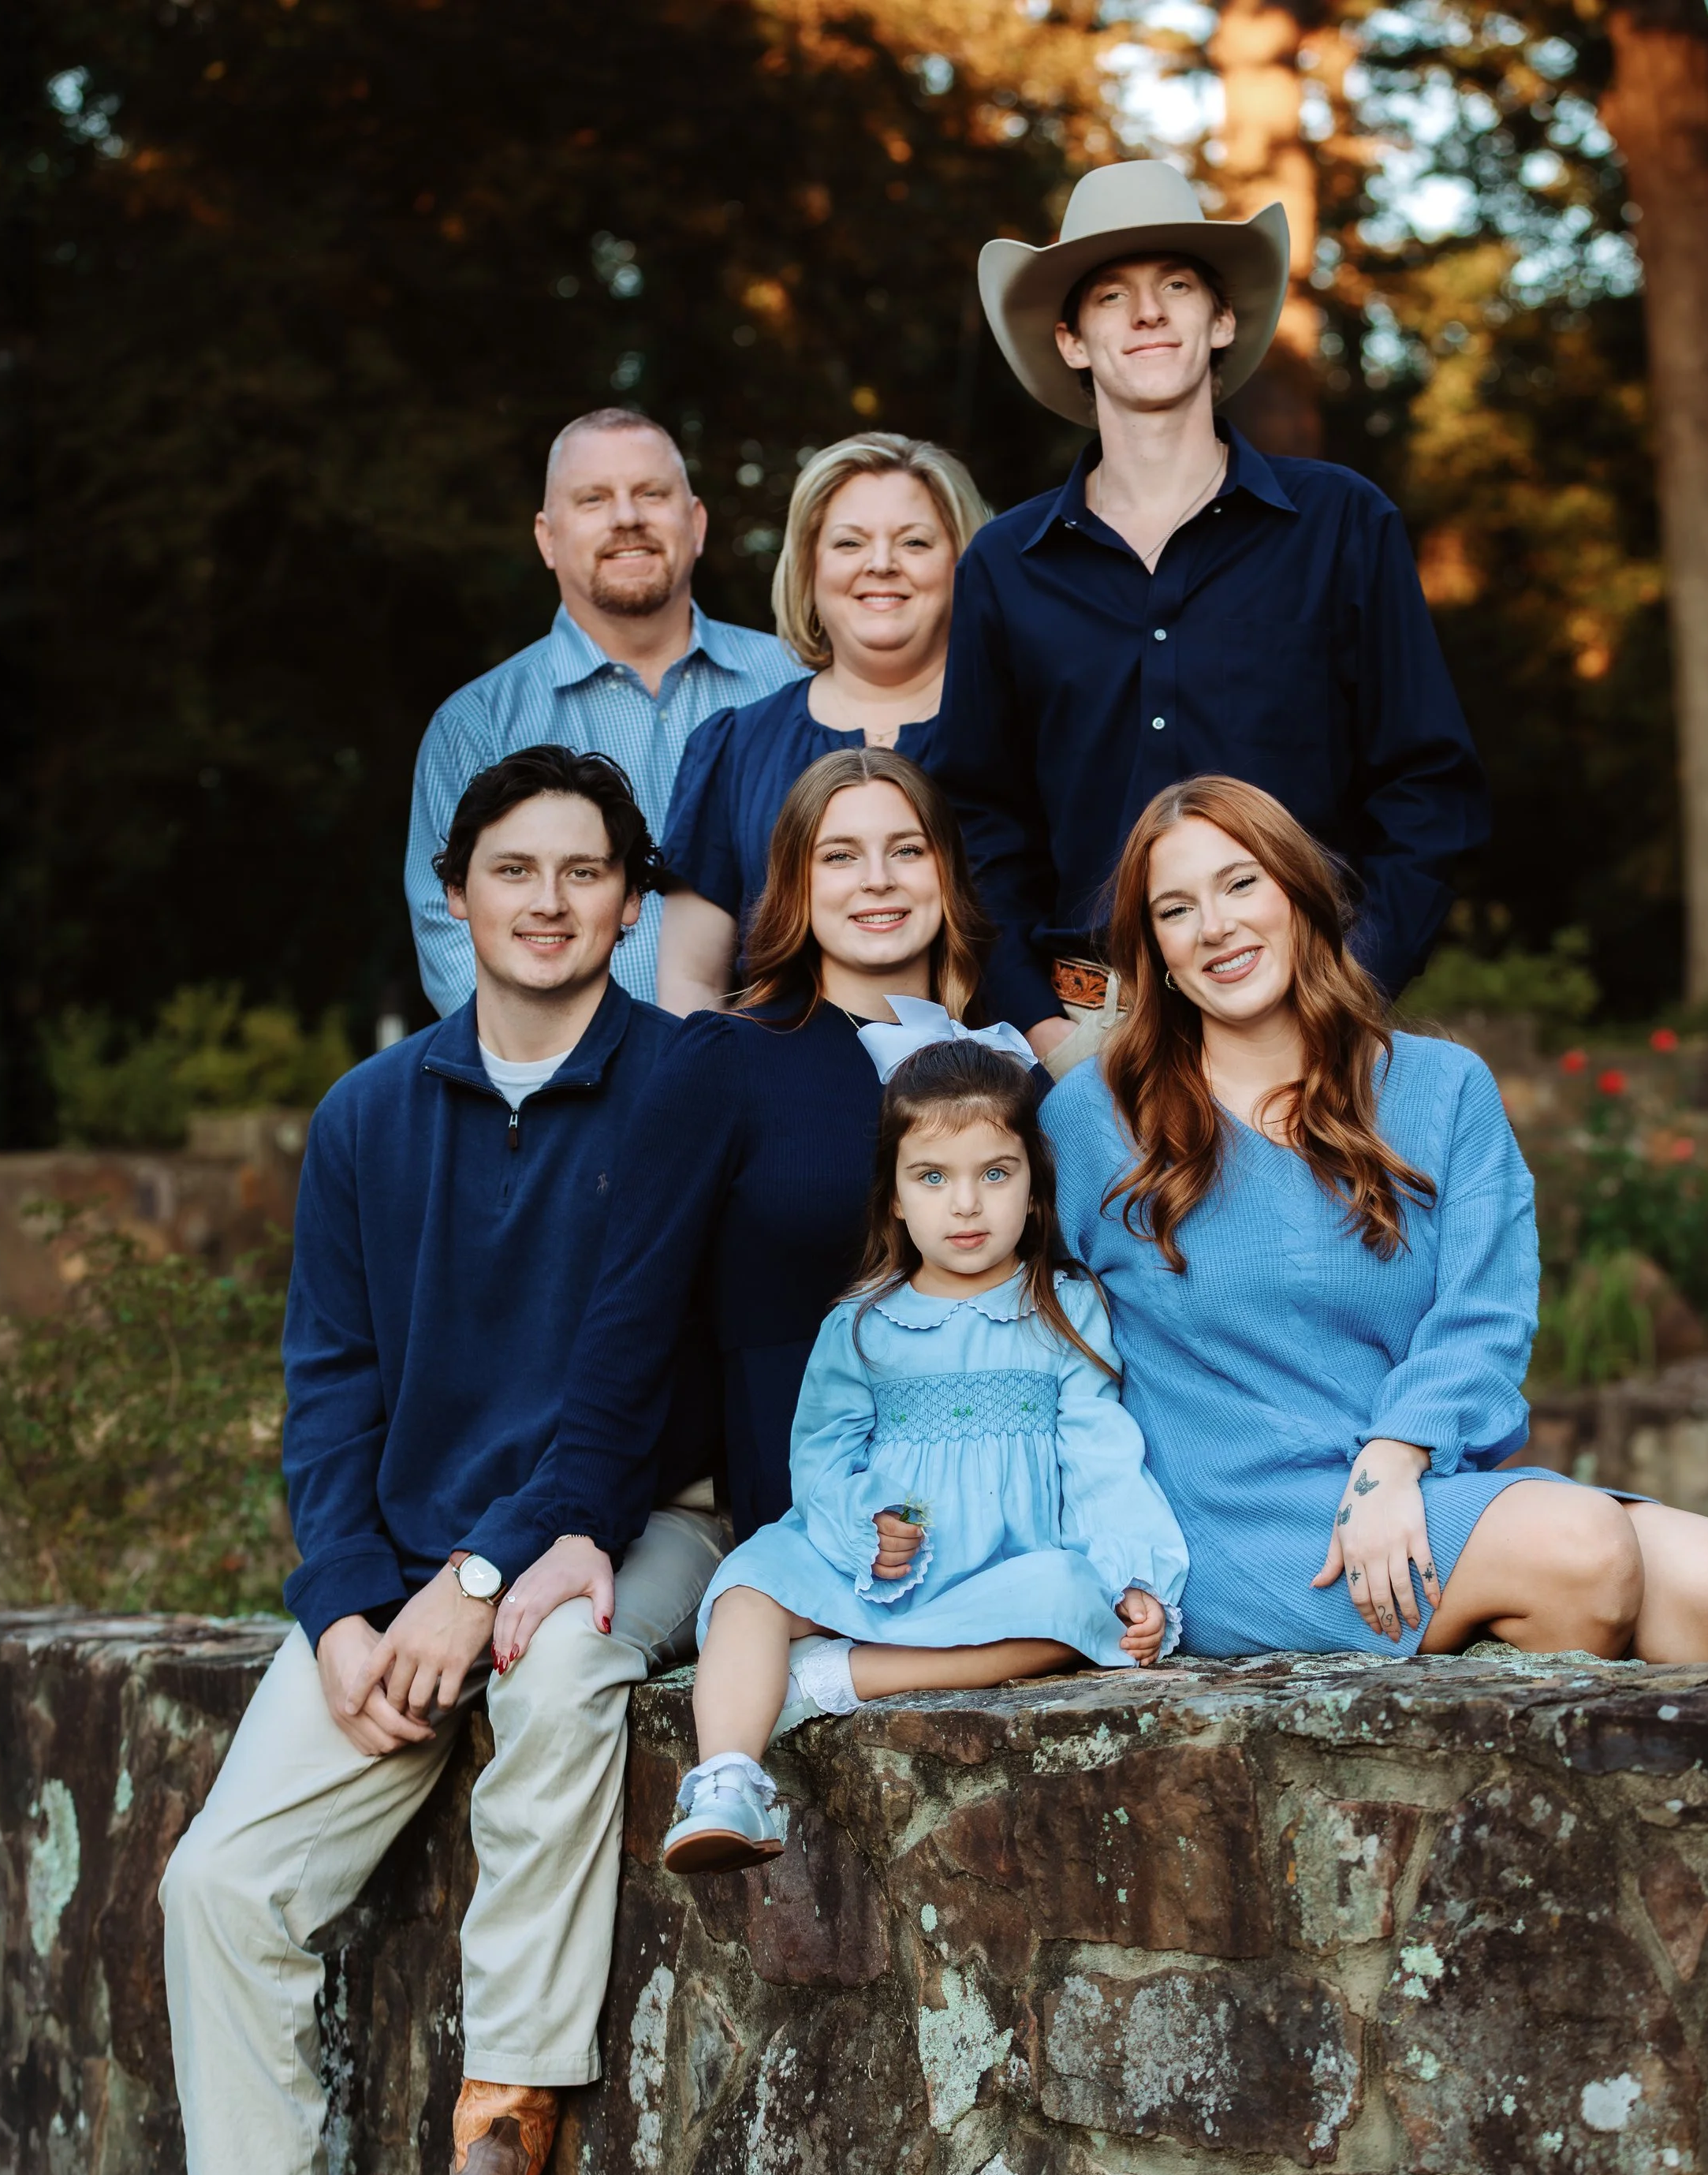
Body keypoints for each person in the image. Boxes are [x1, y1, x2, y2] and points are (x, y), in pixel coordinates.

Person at [160, 748, 724, 2175]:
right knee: (218, 1880)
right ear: (453, 893)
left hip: (629, 1520)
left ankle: (506, 2122)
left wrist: (484, 1574)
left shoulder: (681, 1087)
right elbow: (327, 1387)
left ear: (628, 904)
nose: (547, 899)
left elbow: (640, 1388)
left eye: (582, 871)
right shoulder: (369, 1114)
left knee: (559, 1680)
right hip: (400, 1571)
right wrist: (344, 1609)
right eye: (512, 868)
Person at [1044, 773, 1708, 1665]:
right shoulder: (1091, 1117)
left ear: (1298, 892)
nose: (1216, 927)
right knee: (1580, 1552)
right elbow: (1021, 1322)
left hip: (1408, 1477)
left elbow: (1486, 1312)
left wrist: (1395, 1455)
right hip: (1236, 1516)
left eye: (1241, 883)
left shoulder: (1442, 1086)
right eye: (1176, 909)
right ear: (1152, 947)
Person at [937, 158, 1489, 1068]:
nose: (1147, 312)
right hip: (1093, 1028)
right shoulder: (1005, 565)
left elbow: (1427, 785)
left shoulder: (1342, 524)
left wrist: (1352, 985)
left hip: (1309, 1015)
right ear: (1072, 340)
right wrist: (1041, 1024)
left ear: (1221, 320)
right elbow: (975, 820)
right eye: (1111, 296)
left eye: (1177, 285)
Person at [489, 746, 994, 1666]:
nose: (875, 880)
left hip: (1000, 1496)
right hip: (802, 1515)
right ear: (793, 887)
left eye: (906, 851)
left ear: (948, 874)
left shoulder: (1006, 1074)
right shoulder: (726, 1061)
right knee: (563, 1663)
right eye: (838, 856)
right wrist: (578, 1521)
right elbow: (630, 1312)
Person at [659, 1027, 1188, 1871]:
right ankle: (727, 1776)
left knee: (1076, 1605)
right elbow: (821, 1460)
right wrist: (863, 1524)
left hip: (1004, 1568)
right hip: (885, 1561)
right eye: (933, 1177)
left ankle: (845, 1676)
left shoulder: (1065, 1309)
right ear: (896, 1197)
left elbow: (1101, 1456)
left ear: (1034, 1188)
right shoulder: (863, 1324)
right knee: (750, 1586)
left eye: (995, 1173)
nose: (966, 1205)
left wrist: (1133, 1574)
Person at [405, 408, 799, 1013]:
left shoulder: (796, 683)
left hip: (784, 1075)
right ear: (547, 538)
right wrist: (572, 1086)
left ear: (695, 524)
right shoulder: (477, 726)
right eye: (593, 499)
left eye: (651, 493)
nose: (627, 517)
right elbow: (456, 946)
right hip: (575, 1096)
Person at [656, 431, 990, 1016]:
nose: (881, 564)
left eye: (914, 541)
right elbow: (693, 982)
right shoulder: (735, 748)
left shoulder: (1025, 736)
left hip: (995, 1096)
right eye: (849, 542)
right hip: (779, 1094)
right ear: (809, 566)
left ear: (962, 563)